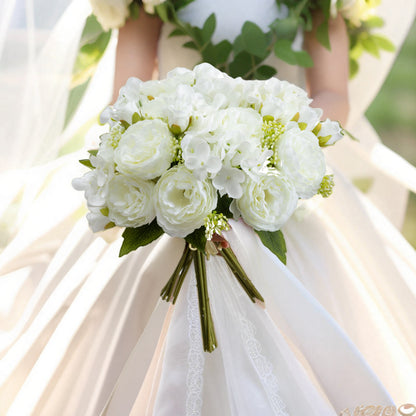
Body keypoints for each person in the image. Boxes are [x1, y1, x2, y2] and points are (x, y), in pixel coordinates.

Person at [0, 1, 415, 414]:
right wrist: (169, 155)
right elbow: (125, 93)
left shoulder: (320, 5)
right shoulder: (147, 4)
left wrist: (275, 147)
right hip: (176, 177)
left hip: (277, 177)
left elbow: (333, 94)